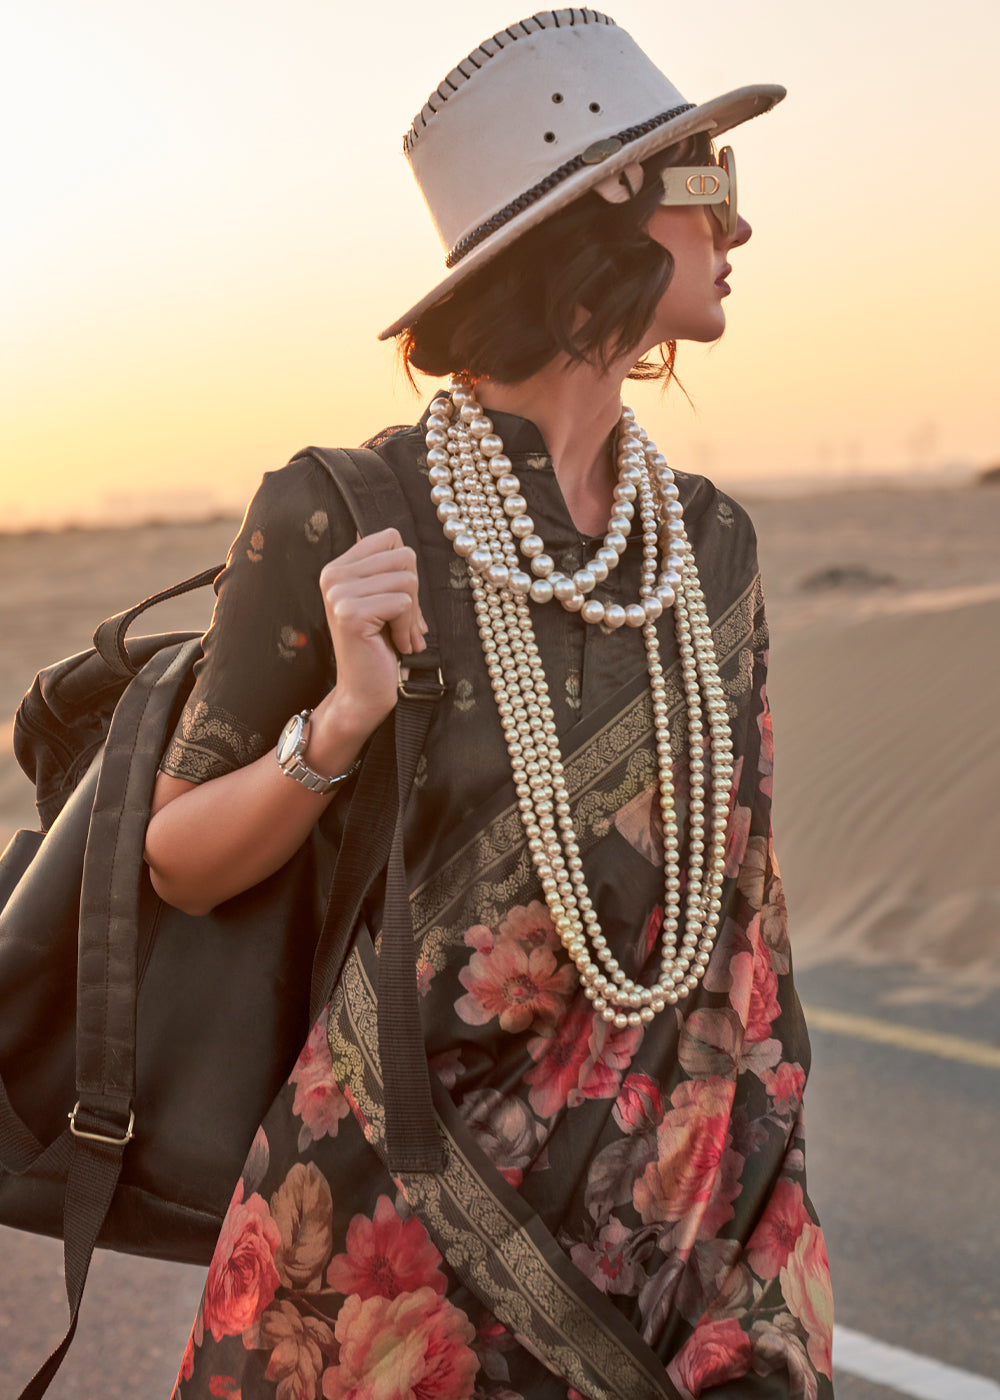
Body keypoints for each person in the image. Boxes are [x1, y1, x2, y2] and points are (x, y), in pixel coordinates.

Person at [145, 11, 835, 1398]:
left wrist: (767, 1208)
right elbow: (178, 851)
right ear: (610, 211)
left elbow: (745, 921)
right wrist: (336, 728)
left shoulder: (711, 549)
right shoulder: (346, 511)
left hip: (681, 1239)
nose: (741, 233)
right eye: (713, 183)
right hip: (393, 1254)